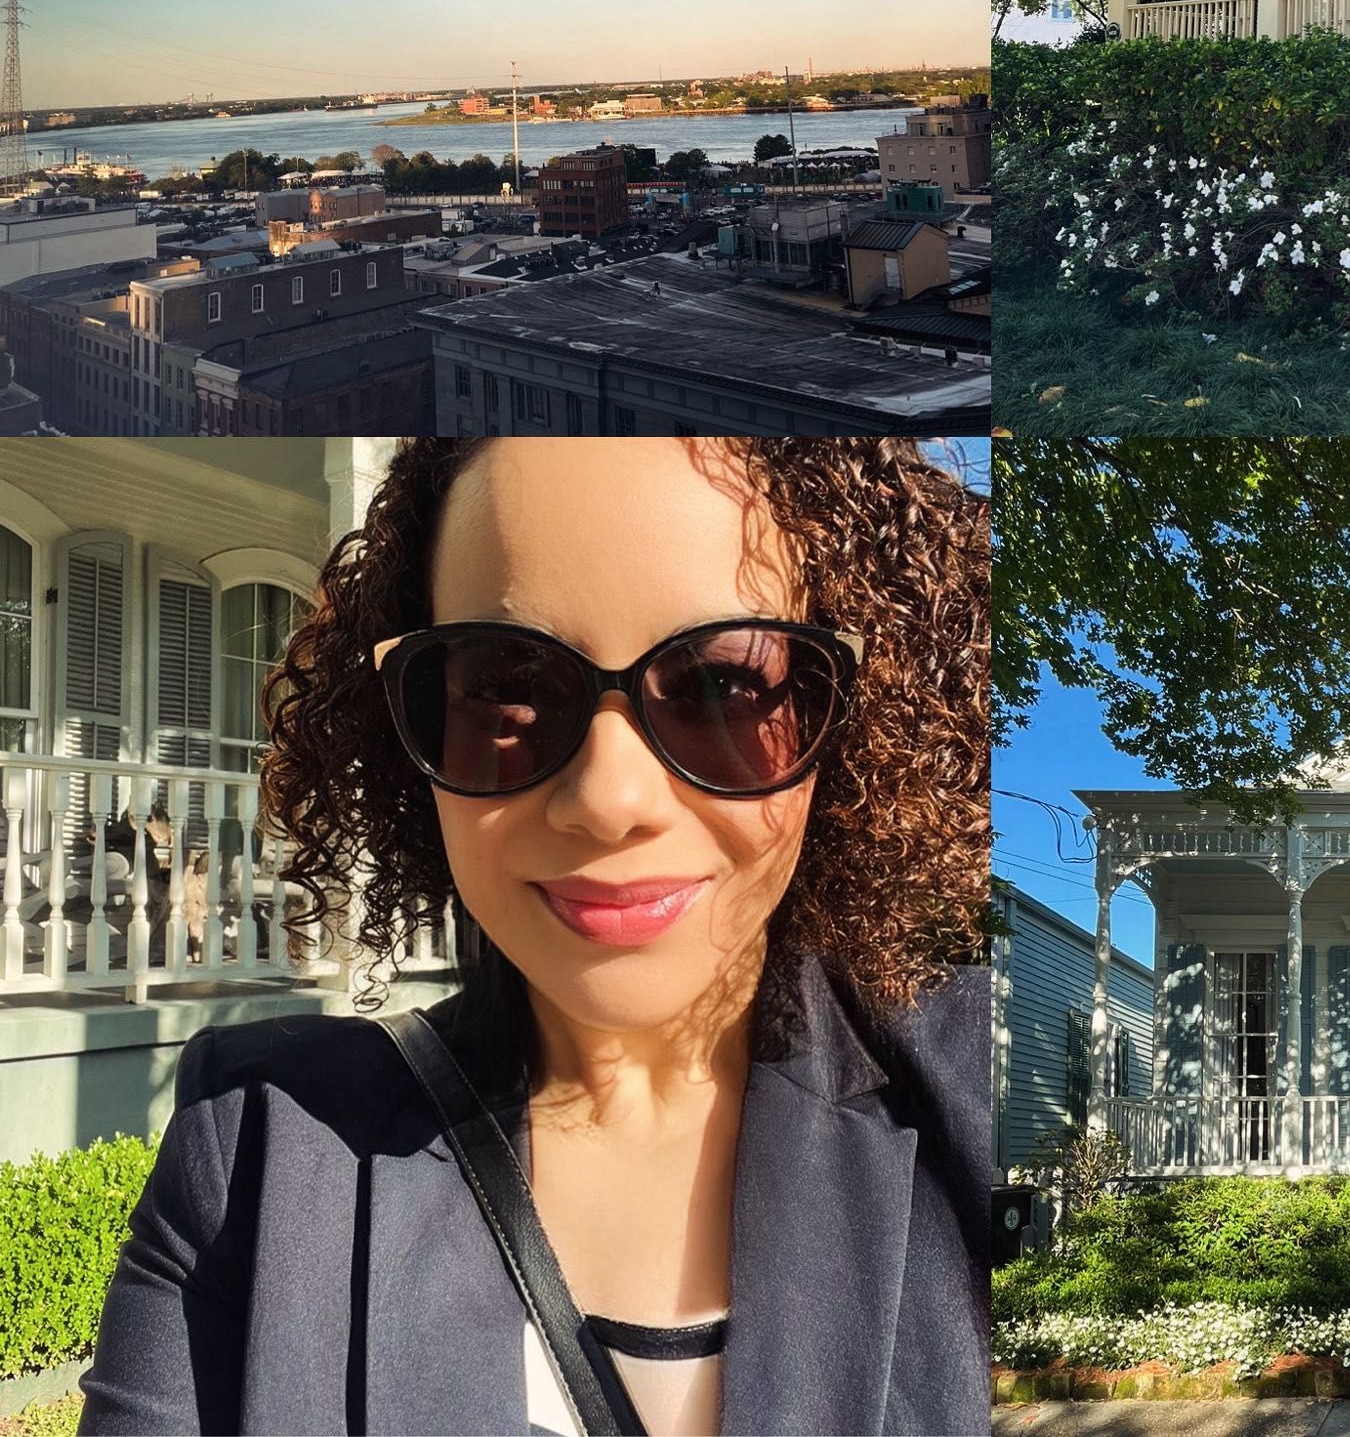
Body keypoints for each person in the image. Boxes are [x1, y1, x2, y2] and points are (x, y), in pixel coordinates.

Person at [77, 437, 991, 1436]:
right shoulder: (254, 1160)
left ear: (847, 716)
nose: (608, 799)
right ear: (405, 730)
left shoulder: (974, 1108)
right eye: (506, 687)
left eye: (723, 685)